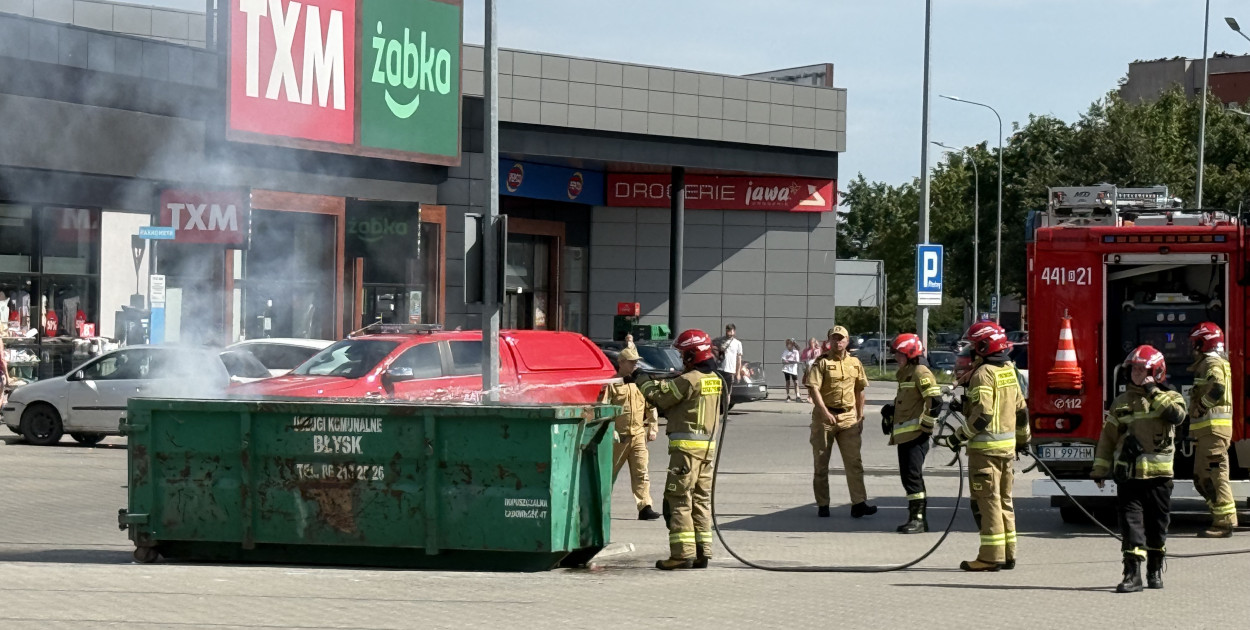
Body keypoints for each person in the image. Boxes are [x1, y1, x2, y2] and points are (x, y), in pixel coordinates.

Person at [1092, 345, 1186, 593]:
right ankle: (1132, 574)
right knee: (1130, 524)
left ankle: (1154, 569)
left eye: (1142, 370)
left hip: (1159, 478)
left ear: (1156, 372)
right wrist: (1100, 470)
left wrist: (1152, 391)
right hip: (1129, 476)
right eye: (1133, 369)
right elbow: (1108, 438)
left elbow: (1176, 416)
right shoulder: (1121, 402)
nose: (1136, 374)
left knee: (1157, 526)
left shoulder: (1170, 397)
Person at [943, 320, 1028, 572]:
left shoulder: (983, 374)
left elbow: (983, 416)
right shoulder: (1008, 370)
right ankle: (1008, 554)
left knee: (987, 502)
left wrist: (957, 437)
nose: (971, 351)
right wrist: (1023, 440)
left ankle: (990, 557)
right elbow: (1021, 411)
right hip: (1007, 451)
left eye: (973, 345)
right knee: (1004, 501)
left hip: (985, 453)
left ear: (983, 346)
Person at [636, 329, 724, 570]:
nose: (682, 358)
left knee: (679, 499)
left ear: (693, 354)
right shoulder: (714, 379)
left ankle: (681, 554)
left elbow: (660, 399)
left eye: (684, 354)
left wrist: (641, 379)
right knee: (700, 500)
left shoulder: (689, 380)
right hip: (707, 450)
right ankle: (702, 552)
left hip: (686, 452)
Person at [804, 326, 876, 518]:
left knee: (854, 462)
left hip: (848, 418)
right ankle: (823, 504)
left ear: (847, 340)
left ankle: (859, 503)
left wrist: (860, 416)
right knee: (821, 464)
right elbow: (814, 389)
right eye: (834, 338)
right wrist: (824, 411)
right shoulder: (822, 362)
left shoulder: (855, 363)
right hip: (824, 418)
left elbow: (860, 390)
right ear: (829, 341)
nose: (838, 342)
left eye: (841, 338)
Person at [881, 333, 941, 534]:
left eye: (899, 354)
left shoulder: (921, 372)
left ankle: (918, 520)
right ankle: (914, 518)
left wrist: (927, 427)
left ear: (910, 354)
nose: (896, 358)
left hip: (916, 436)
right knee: (908, 477)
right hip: (905, 436)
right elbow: (910, 401)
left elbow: (935, 401)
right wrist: (891, 411)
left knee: (913, 477)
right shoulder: (906, 373)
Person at [1187, 322, 1237, 538]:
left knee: (1216, 475)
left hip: (1213, 433)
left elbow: (1217, 388)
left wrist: (1200, 406)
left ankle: (1224, 522)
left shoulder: (1211, 362)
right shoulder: (1214, 362)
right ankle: (1219, 516)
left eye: (1195, 343)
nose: (1193, 348)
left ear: (1203, 342)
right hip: (1209, 434)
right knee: (1201, 477)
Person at [600, 346, 661, 521]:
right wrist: (609, 431)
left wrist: (653, 427)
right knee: (608, 474)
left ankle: (645, 507)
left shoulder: (640, 383)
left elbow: (650, 405)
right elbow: (604, 409)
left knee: (641, 473)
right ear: (621, 363)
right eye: (631, 362)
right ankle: (601, 507)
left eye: (636, 362)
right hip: (618, 437)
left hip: (638, 435)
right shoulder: (612, 384)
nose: (635, 365)